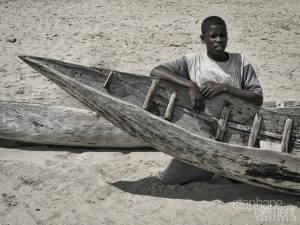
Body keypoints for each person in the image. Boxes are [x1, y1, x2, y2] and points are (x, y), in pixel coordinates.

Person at [150, 16, 263, 185]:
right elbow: (157, 71)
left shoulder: (239, 61)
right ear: (203, 39)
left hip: (235, 135)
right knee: (171, 181)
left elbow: (257, 98)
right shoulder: (192, 60)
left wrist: (225, 88)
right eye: (213, 36)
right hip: (202, 135)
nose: (219, 40)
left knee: (237, 180)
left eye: (223, 35)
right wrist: (191, 84)